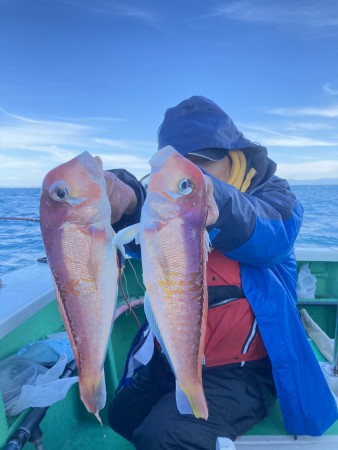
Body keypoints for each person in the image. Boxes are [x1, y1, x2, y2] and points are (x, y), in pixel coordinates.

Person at [105, 96, 338, 449]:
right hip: (175, 354)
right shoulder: (164, 204)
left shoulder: (275, 197)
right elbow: (139, 233)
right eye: (180, 166)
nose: (192, 173)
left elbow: (271, 236)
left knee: (164, 436)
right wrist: (126, 200)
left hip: (244, 369)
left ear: (234, 158)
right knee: (122, 415)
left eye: (202, 164)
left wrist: (213, 200)